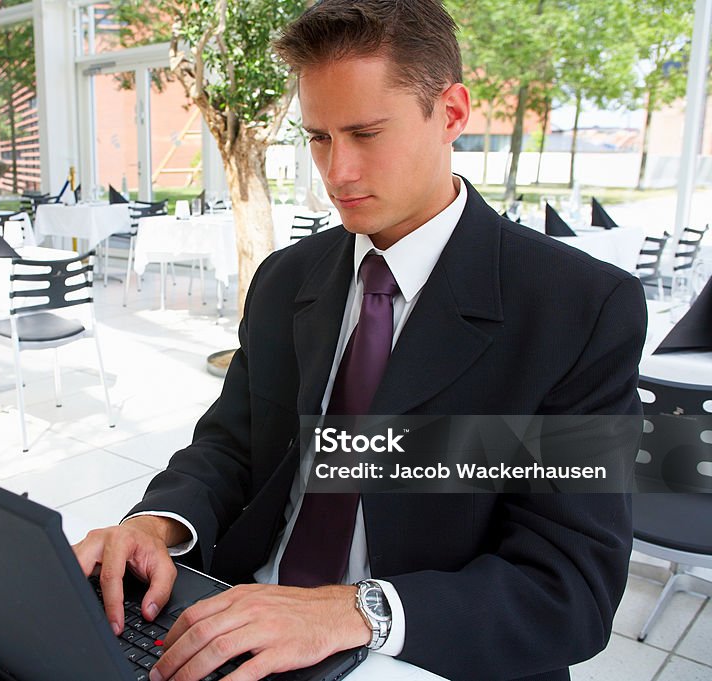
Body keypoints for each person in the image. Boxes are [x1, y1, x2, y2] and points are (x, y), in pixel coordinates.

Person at [72, 2, 646, 680]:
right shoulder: (287, 279)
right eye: (318, 138)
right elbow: (231, 445)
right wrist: (157, 524)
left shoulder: (576, 309)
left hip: (418, 652)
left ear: (453, 114)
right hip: (242, 616)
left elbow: (570, 588)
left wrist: (353, 610)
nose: (337, 172)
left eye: (367, 133)